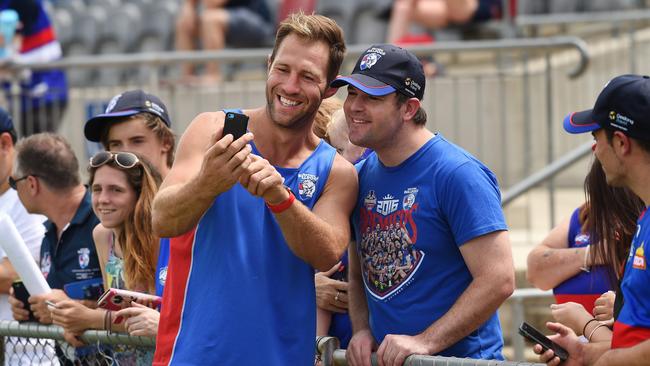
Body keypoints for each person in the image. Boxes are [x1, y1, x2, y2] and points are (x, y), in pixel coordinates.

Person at [152, 13, 356, 365]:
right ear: (268, 66)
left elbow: (326, 254)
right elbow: (162, 219)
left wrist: (281, 199)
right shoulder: (212, 130)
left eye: (307, 76)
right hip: (193, 356)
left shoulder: (337, 171)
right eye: (282, 69)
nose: (290, 86)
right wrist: (207, 183)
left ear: (330, 89)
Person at [330, 44, 514, 366]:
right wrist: (361, 329)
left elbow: (498, 279)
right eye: (352, 94)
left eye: (372, 98)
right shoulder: (358, 176)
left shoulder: (457, 173)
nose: (354, 107)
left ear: (409, 108)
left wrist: (424, 342)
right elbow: (359, 270)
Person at [536, 74, 650, 365]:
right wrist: (584, 352)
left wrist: (604, 361)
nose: (594, 149)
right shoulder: (645, 218)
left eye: (596, 137)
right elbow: (636, 338)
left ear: (621, 142)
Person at [49, 151, 161, 365]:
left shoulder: (157, 237)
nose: (103, 200)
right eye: (97, 189)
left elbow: (152, 314)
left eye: (116, 190)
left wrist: (89, 318)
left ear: (138, 195)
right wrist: (76, 321)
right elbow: (112, 307)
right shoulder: (102, 235)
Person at [83, 89, 176, 338]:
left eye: (137, 141)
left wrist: (88, 319)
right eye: (115, 145)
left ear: (166, 142)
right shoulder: (109, 224)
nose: (127, 154)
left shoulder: (187, 207)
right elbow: (119, 309)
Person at [7, 132, 103, 365]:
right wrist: (32, 308)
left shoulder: (103, 220)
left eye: (13, 182)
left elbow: (135, 295)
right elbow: (58, 303)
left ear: (31, 184)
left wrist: (69, 306)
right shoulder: (49, 234)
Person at [527, 159, 642, 314]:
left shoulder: (643, 226)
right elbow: (535, 271)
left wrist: (621, 307)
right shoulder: (585, 215)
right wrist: (594, 253)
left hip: (616, 336)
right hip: (579, 336)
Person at [0, 0, 68, 135]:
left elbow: (9, 45)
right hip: (22, 97)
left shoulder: (22, 5)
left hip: (43, 94)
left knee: (37, 151)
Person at [175, 0, 275, 84]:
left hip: (257, 21)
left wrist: (191, 6)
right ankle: (187, 77)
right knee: (184, 23)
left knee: (210, 19)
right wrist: (188, 7)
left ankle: (213, 75)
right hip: (228, 19)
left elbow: (211, 3)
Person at [387, 0, 503, 44]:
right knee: (403, 5)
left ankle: (390, 58)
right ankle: (390, 57)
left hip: (481, 5)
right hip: (447, 8)